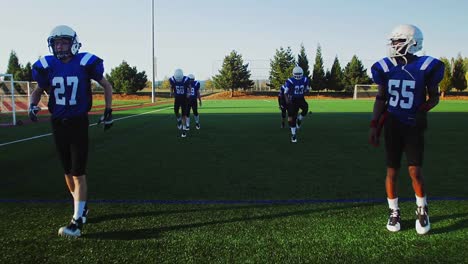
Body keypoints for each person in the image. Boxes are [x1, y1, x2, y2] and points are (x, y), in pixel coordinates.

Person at [29, 25, 113, 238]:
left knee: (78, 171)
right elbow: (38, 90)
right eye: (57, 42)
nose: (60, 46)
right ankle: (81, 207)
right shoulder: (48, 66)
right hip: (57, 122)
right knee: (67, 171)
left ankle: (76, 222)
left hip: (77, 122)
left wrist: (108, 110)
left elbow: (107, 85)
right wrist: (32, 104)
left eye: (64, 42)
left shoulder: (84, 63)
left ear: (73, 43)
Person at [369, 24, 444, 234]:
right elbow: (381, 98)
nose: (394, 45)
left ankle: (422, 209)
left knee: (415, 171)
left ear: (413, 42)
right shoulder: (385, 67)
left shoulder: (426, 66)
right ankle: (394, 211)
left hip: (413, 125)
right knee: (391, 171)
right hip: (392, 124)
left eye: (398, 40)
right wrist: (374, 124)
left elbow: (435, 97)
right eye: (393, 41)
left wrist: (424, 108)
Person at [283, 66, 310, 142]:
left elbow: (307, 90)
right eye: (296, 74)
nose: (298, 76)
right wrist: (287, 100)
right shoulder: (290, 81)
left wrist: (307, 90)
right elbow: (285, 92)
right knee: (292, 117)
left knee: (305, 109)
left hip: (301, 98)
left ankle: (300, 118)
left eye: (299, 74)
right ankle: (293, 135)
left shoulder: (305, 79)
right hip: (293, 100)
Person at [169, 69, 190, 137]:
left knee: (183, 115)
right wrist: (171, 92)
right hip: (177, 98)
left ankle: (183, 131)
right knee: (176, 111)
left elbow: (189, 87)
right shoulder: (172, 79)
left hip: (184, 99)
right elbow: (171, 86)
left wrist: (188, 93)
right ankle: (179, 120)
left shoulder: (186, 79)